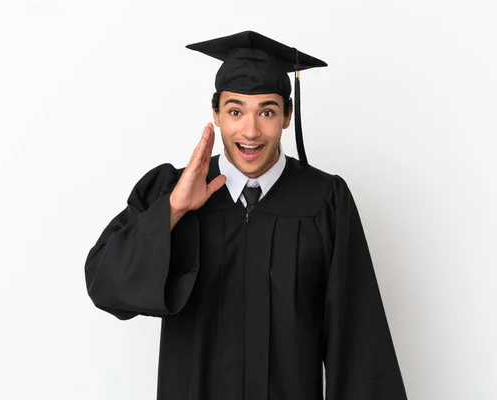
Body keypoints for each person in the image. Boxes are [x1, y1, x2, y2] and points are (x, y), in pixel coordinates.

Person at [84, 30, 407, 400]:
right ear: (216, 114)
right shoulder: (171, 191)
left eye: (266, 112)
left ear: (287, 115)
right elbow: (105, 287)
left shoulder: (324, 201)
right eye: (235, 111)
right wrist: (173, 210)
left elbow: (358, 340)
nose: (250, 131)